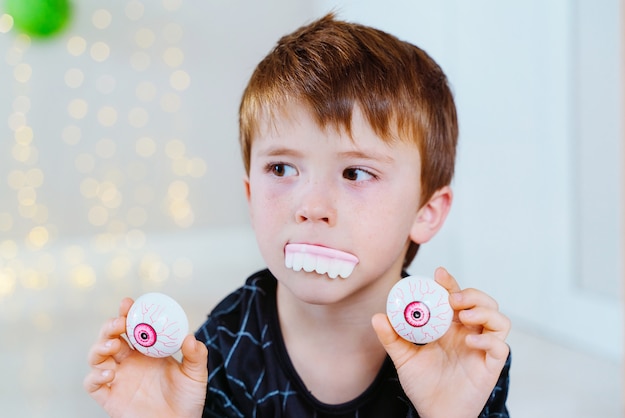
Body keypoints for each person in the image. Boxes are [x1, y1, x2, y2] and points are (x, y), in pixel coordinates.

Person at [84, 13, 511, 418]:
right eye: (282, 169)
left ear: (426, 211)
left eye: (356, 172)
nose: (311, 207)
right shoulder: (225, 346)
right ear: (251, 196)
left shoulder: (462, 356)